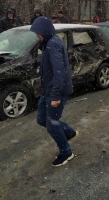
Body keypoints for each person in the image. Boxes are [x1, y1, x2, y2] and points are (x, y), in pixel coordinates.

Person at [30, 16, 76, 167]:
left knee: (51, 124)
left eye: (38, 32)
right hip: (48, 90)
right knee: (42, 119)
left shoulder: (52, 44)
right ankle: (68, 132)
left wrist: (55, 96)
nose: (37, 35)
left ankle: (66, 152)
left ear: (44, 31)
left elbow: (59, 72)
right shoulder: (47, 43)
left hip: (56, 91)